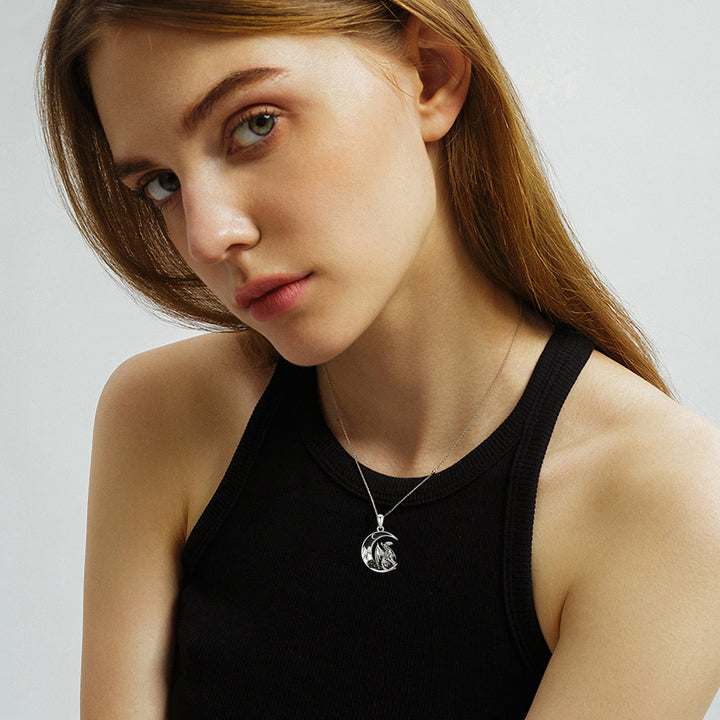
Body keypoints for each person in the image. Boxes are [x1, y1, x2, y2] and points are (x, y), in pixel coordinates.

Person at [38, 1, 720, 718]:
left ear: (430, 74)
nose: (208, 237)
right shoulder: (165, 417)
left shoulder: (664, 502)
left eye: (255, 124)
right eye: (162, 184)